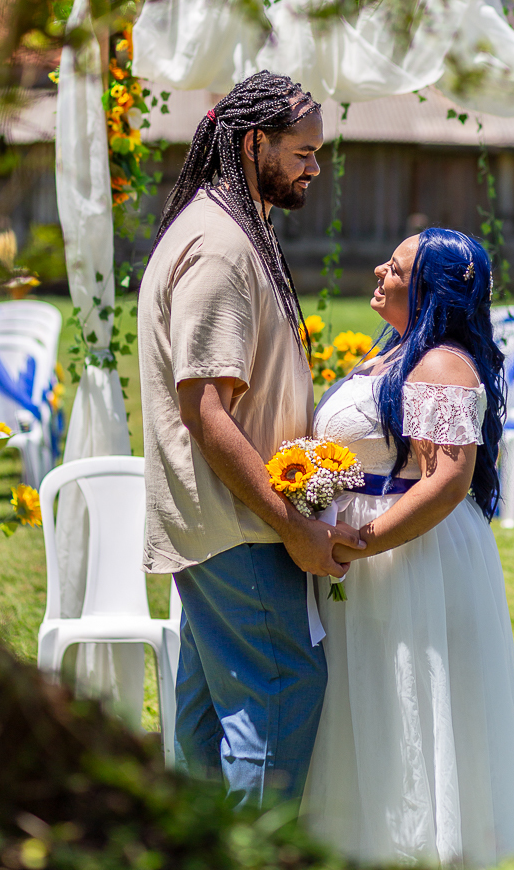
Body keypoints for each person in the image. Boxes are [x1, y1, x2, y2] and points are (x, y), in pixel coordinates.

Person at [137, 71, 364, 804]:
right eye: (301, 151)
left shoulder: (232, 227)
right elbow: (208, 412)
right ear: (253, 141)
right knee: (278, 694)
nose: (315, 168)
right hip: (240, 526)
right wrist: (293, 524)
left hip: (220, 521)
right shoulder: (220, 248)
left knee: (206, 728)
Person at [302, 228, 514, 866]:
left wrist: (362, 542)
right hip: (368, 557)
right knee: (368, 694)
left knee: (408, 693)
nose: (380, 268)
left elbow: (449, 478)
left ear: (430, 288)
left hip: (411, 557)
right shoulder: (397, 353)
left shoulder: (440, 363)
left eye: (398, 266)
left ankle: (418, 847)